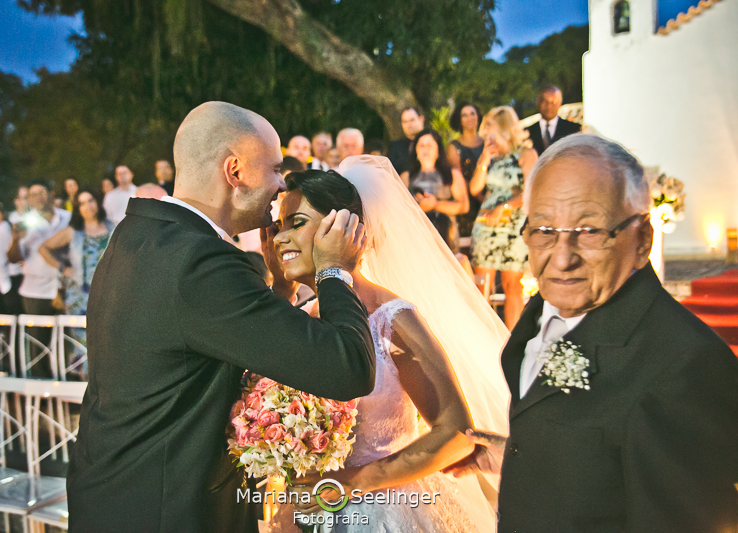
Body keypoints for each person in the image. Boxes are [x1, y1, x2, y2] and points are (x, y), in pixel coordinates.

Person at [66, 101, 376, 533]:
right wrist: (333, 269)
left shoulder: (138, 234)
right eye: (274, 169)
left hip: (111, 494)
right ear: (235, 171)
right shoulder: (201, 262)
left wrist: (280, 291)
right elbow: (348, 367)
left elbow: (202, 343)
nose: (279, 184)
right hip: (168, 511)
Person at [452, 134, 738, 532]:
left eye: (588, 232)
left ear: (642, 240)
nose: (562, 258)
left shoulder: (683, 367)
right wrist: (521, 455)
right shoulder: (541, 314)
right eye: (545, 231)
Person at [269, 158, 510, 533]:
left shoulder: (391, 317)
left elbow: (457, 434)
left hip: (383, 510)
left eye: (296, 224)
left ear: (345, 229)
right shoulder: (301, 316)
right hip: (304, 512)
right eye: (278, 226)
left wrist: (353, 482)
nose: (280, 238)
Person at [470, 106, 538, 329]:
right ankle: (483, 341)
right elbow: (475, 188)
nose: (487, 133)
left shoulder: (526, 154)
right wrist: (483, 159)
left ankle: (512, 342)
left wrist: (504, 206)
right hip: (486, 225)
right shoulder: (491, 155)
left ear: (505, 128)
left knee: (512, 286)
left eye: (490, 127)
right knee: (482, 287)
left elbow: (531, 190)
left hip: (514, 225)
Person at [8, 180, 71, 376]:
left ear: (51, 194)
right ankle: (41, 391)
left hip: (65, 287)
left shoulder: (67, 217)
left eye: (42, 192)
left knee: (66, 339)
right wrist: (16, 239)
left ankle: (66, 380)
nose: (38, 197)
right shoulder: (24, 223)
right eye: (33, 195)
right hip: (36, 289)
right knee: (39, 343)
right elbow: (13, 258)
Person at [39, 190, 113, 316]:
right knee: (80, 335)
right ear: (78, 209)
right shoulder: (73, 232)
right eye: (82, 203)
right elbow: (43, 248)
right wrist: (63, 268)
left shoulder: (113, 227)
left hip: (109, 294)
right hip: (80, 296)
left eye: (91, 200)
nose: (88, 206)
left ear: (97, 202)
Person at [401, 129, 469, 252]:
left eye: (429, 145)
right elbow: (398, 209)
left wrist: (435, 204)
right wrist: (419, 207)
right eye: (421, 145)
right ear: (415, 149)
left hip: (445, 236)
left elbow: (464, 206)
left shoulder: (452, 174)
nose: (425, 149)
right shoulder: (406, 176)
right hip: (415, 237)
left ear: (438, 150)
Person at [447, 102, 485, 250]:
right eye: (465, 115)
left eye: (472, 113)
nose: (470, 118)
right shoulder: (454, 147)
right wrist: (481, 197)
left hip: (489, 200)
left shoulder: (487, 143)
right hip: (469, 204)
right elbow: (459, 179)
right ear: (459, 120)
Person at [526, 85, 581, 156]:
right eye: (544, 101)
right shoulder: (527, 133)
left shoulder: (573, 130)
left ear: (560, 103)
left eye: (553, 102)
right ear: (538, 103)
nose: (549, 106)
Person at [0, 201, 24, 315]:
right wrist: (5, 287)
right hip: (8, 282)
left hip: (12, 279)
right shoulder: (0, 229)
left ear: (2, 213)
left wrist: (6, 287)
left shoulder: (3, 227)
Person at [387, 107, 425, 174]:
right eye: (405, 121)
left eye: (412, 120)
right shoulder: (395, 147)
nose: (408, 125)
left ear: (421, 120)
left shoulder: (431, 143)